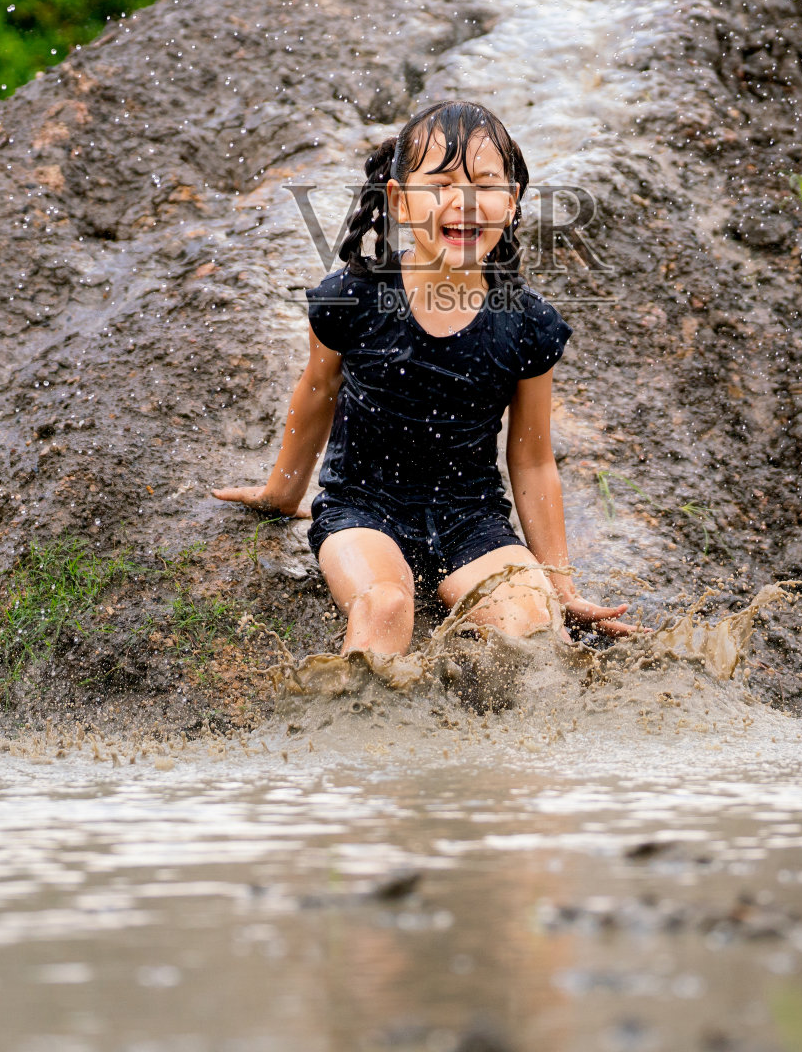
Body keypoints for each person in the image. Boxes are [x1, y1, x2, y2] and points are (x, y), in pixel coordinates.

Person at [213, 98, 632, 662]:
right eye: (440, 183)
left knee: (532, 626)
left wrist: (560, 588)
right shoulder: (353, 298)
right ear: (399, 201)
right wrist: (282, 494)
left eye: (485, 184)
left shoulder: (527, 324)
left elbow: (532, 459)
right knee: (385, 605)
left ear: (511, 202)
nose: (465, 201)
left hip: (472, 521)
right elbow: (317, 391)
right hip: (363, 510)